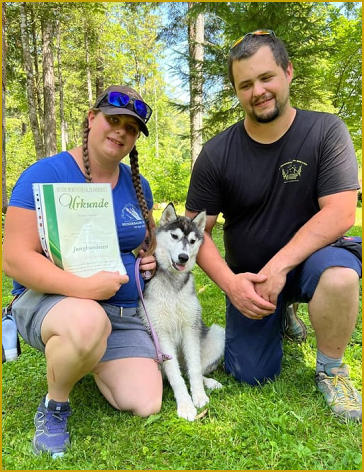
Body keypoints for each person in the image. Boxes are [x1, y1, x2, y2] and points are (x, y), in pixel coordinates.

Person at [185, 30, 362, 422]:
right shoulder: (216, 154)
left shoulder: (326, 132)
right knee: (252, 374)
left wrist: (279, 268)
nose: (258, 91)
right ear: (236, 91)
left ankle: (332, 369)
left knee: (340, 275)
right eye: (245, 84)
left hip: (312, 262)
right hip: (250, 280)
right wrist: (233, 286)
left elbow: (340, 212)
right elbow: (198, 230)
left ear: (288, 72)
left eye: (266, 77)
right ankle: (280, 313)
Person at [3, 85, 163, 458]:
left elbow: (144, 243)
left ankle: (85, 353)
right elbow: (13, 259)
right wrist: (84, 289)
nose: (121, 131)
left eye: (132, 128)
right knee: (87, 322)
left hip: (120, 311)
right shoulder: (45, 173)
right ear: (91, 119)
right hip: (54, 301)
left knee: (146, 402)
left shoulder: (140, 186)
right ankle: (55, 406)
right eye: (113, 120)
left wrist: (148, 259)